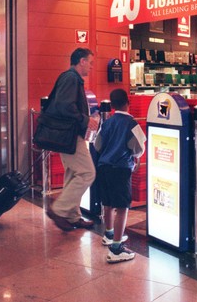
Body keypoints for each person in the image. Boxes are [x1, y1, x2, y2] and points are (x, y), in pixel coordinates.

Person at [45, 47, 99, 231]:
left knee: (73, 173)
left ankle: (73, 216)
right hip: (69, 135)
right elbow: (64, 106)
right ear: (82, 61)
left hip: (68, 134)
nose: (91, 67)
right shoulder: (70, 78)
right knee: (87, 173)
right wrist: (86, 120)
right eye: (90, 62)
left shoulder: (71, 78)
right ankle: (59, 210)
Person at [94, 89, 146, 263]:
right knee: (122, 206)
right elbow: (138, 148)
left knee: (107, 203)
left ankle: (109, 234)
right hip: (121, 168)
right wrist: (135, 156)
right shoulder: (131, 123)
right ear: (127, 102)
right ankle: (116, 248)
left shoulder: (107, 122)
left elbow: (97, 144)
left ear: (113, 104)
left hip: (104, 166)